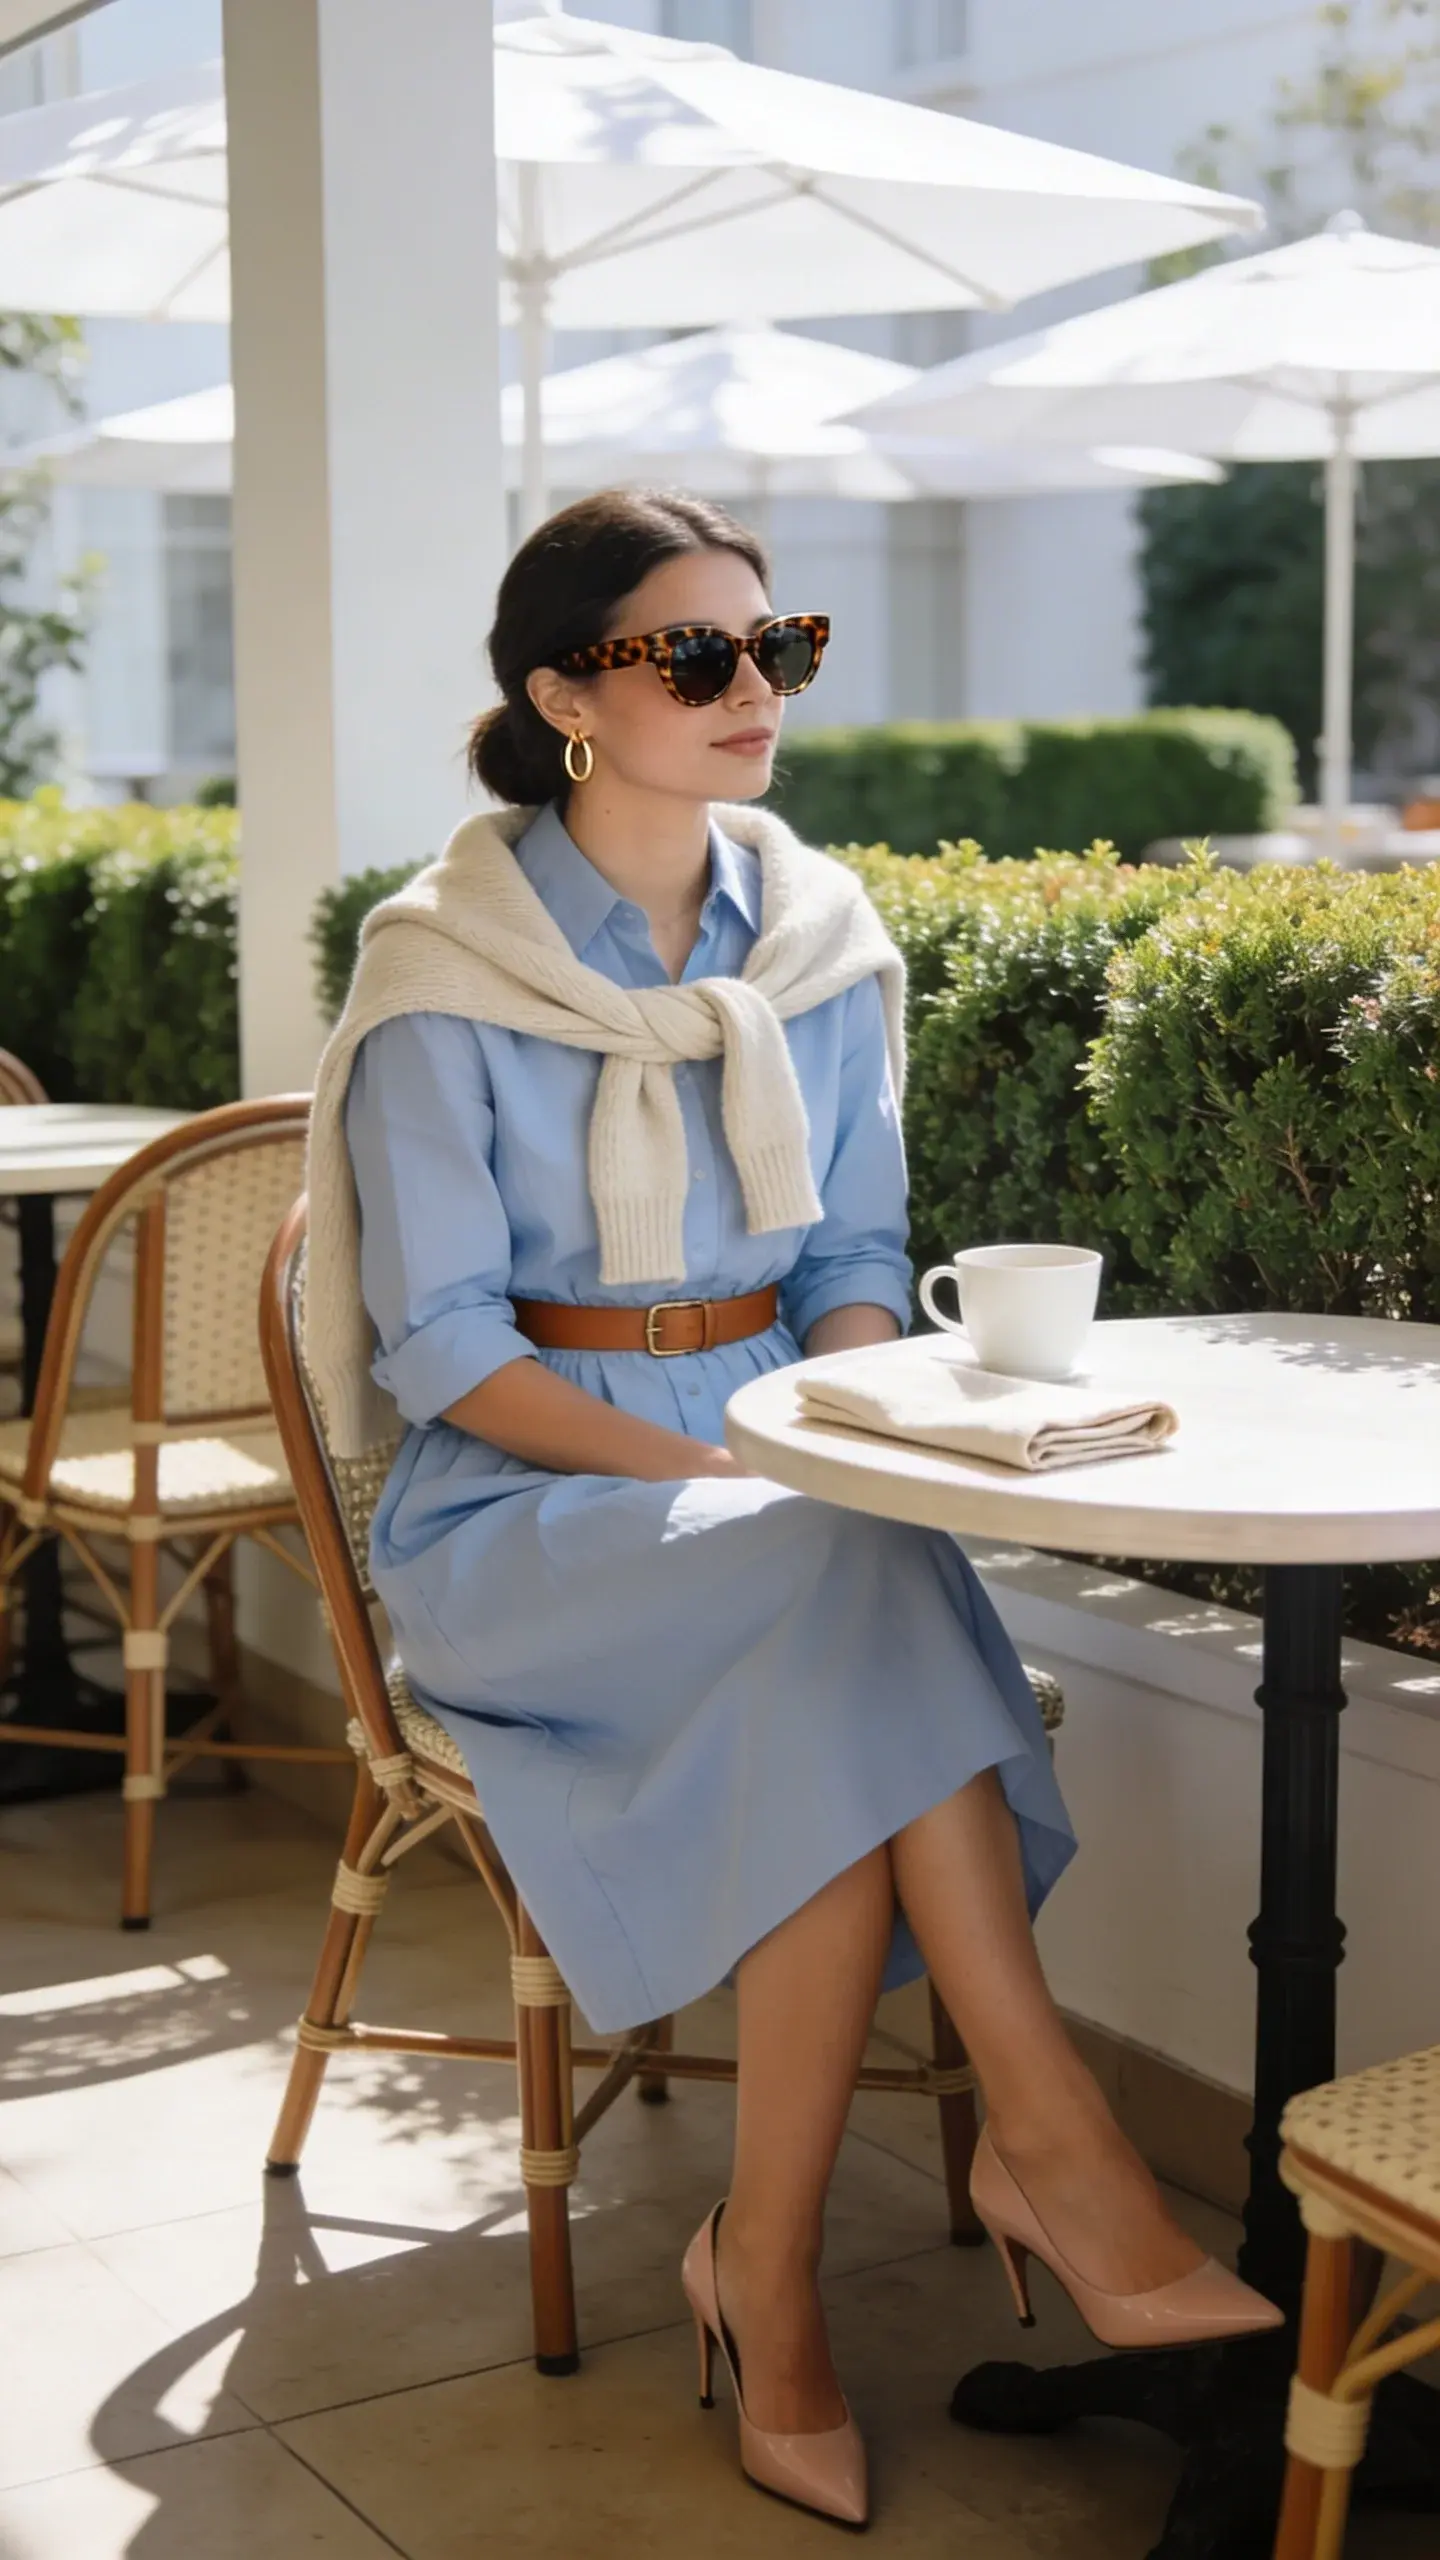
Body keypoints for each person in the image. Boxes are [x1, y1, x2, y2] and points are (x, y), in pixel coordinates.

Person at [308, 488, 1280, 2531]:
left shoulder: (820, 939)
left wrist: (837, 1415)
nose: (758, 689)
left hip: (784, 1482)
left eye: (781, 643)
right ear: (567, 691)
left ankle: (769, 2279)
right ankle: (1052, 2141)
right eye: (699, 654)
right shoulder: (440, 966)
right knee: (839, 1563)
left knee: (829, 1607)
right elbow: (447, 1350)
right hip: (522, 1510)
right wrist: (754, 1468)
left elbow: (853, 1249)